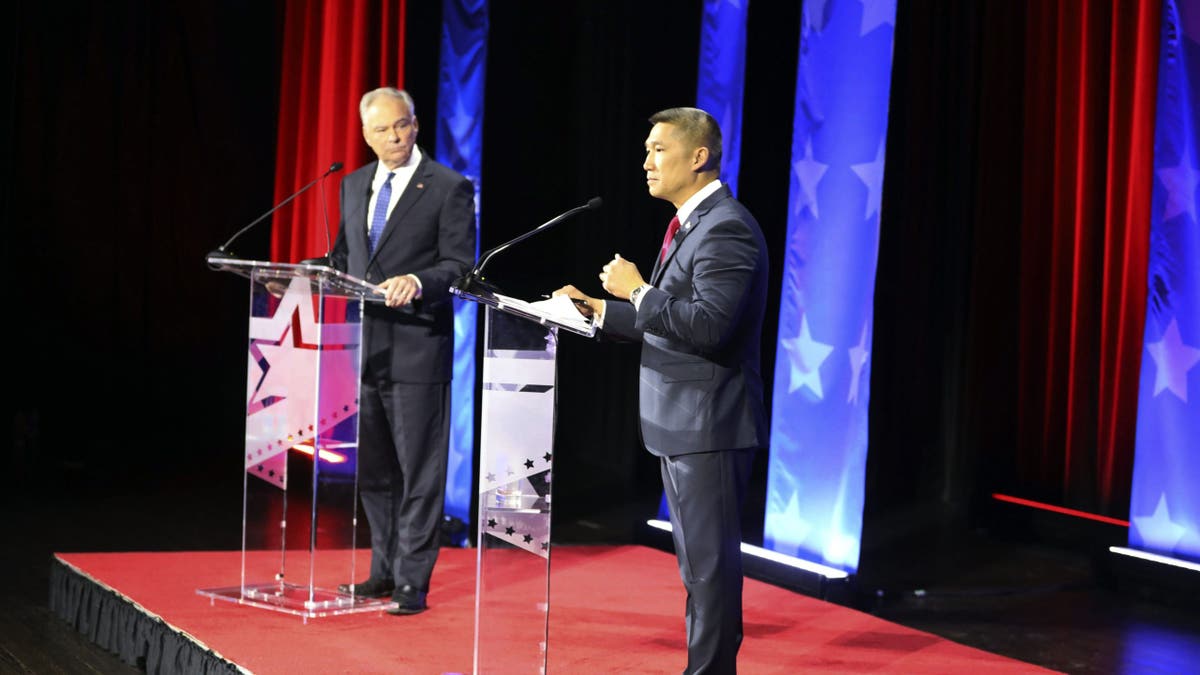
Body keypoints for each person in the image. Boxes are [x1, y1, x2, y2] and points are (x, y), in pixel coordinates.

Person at [556, 107, 769, 673]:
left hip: (710, 423)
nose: (646, 162)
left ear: (698, 157)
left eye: (658, 151)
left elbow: (708, 327)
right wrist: (601, 309)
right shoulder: (689, 223)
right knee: (696, 568)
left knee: (710, 570)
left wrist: (639, 291)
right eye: (646, 151)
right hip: (680, 421)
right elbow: (669, 322)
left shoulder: (726, 228)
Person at [329, 87, 476, 615]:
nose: (396, 137)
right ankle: (382, 572)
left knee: (419, 473)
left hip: (418, 348)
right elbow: (346, 256)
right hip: (366, 351)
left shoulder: (448, 187)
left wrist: (418, 278)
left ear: (415, 124)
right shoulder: (353, 185)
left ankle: (414, 581)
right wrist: (302, 277)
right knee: (374, 472)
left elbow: (460, 265)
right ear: (366, 135)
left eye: (404, 125)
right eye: (384, 130)